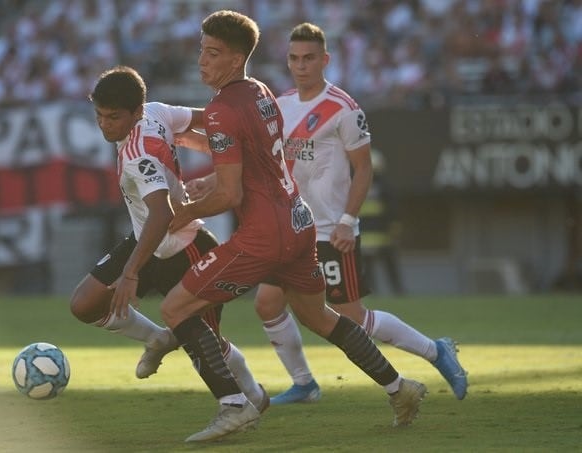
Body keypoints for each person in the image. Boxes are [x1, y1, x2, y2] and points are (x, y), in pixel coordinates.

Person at [159, 10, 427, 443]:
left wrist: (182, 214)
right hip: (299, 222)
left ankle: (233, 405)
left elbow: (229, 195)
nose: (201, 62)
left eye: (212, 53)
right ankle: (401, 388)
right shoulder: (262, 92)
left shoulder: (221, 108)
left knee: (174, 308)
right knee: (319, 316)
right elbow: (248, 158)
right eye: (200, 52)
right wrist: (188, 143)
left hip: (264, 234)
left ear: (235, 58)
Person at [249, 22, 468, 405]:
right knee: (267, 303)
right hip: (293, 230)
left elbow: (363, 168)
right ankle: (304, 385)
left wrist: (348, 221)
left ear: (325, 60)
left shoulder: (344, 108)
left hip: (332, 229)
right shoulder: (281, 105)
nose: (301, 65)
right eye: (294, 58)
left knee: (351, 317)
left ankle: (437, 351)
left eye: (309, 58)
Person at [68, 65, 268, 413]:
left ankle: (251, 397)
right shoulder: (158, 112)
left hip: (182, 244)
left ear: (137, 112)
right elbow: (210, 118)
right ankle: (158, 338)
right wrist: (224, 145)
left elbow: (161, 215)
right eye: (99, 115)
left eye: (114, 117)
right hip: (148, 238)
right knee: (85, 303)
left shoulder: (137, 155)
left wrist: (131, 272)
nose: (105, 124)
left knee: (205, 342)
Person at [360, 149, 405, 295]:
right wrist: (394, 228)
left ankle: (373, 293)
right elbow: (393, 210)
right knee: (389, 265)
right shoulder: (385, 186)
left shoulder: (358, 185)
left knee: (368, 267)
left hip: (366, 236)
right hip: (382, 235)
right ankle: (398, 292)